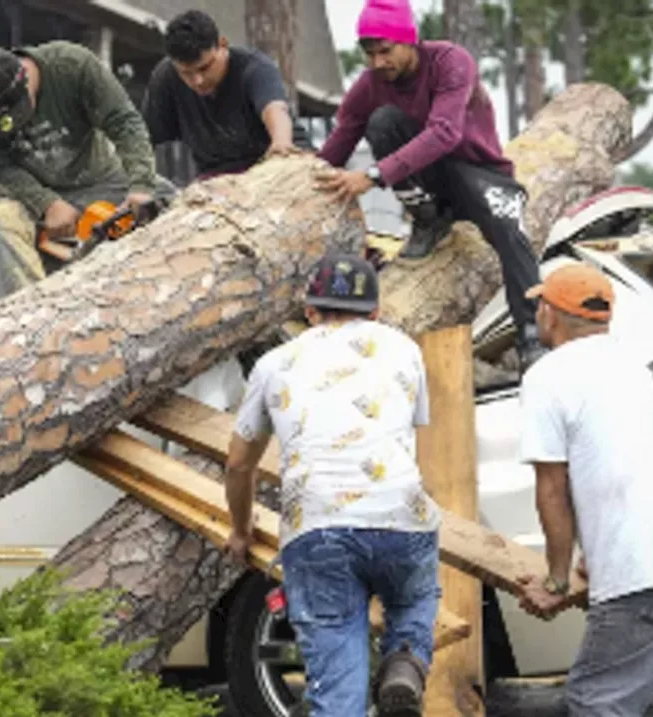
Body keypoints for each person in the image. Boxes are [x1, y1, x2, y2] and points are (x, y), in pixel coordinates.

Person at [515, 263, 653, 716]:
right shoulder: (629, 362)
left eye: (541, 304)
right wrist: (590, 560)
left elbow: (553, 489)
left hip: (648, 573)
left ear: (551, 314)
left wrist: (557, 580)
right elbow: (619, 466)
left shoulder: (546, 378)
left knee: (596, 702)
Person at [223, 253, 442, 717]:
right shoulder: (404, 348)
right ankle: (406, 659)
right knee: (415, 597)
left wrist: (241, 531)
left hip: (318, 527)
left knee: (336, 685)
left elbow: (239, 465)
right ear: (376, 313)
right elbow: (409, 430)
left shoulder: (274, 363)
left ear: (308, 312)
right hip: (402, 515)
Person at [311, 0, 544, 365]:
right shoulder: (371, 85)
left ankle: (531, 334)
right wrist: (306, 177)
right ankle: (429, 219)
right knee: (382, 122)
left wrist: (373, 176)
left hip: (479, 171)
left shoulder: (450, 62)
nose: (377, 63)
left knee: (510, 232)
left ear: (410, 41)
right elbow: (341, 140)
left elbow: (445, 134)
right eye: (370, 55)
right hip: (430, 182)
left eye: (385, 52)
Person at [0, 42, 173, 289]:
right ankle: (34, 310)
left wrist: (140, 185)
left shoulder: (72, 67)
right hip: (32, 193)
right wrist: (46, 203)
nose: (16, 125)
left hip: (101, 178)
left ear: (26, 79)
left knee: (168, 197)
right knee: (1, 221)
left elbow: (124, 123)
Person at [142, 10, 309, 179]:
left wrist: (281, 143)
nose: (197, 81)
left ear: (222, 45)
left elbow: (274, 109)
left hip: (279, 164)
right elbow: (143, 139)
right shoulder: (166, 77)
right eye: (186, 73)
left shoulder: (255, 67)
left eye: (204, 68)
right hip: (217, 179)